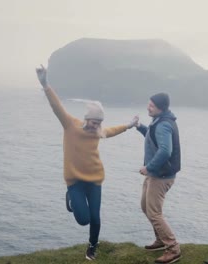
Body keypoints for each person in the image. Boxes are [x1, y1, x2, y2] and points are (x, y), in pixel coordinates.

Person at [35, 65, 139, 261]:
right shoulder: (70, 125)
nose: (96, 126)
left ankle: (92, 246)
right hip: (74, 181)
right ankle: (72, 199)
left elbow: (112, 130)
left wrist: (130, 125)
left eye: (99, 123)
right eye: (93, 122)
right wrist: (45, 84)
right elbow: (57, 107)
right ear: (87, 118)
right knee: (83, 219)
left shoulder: (98, 132)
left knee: (95, 218)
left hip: (95, 180)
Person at [136, 92, 182, 264]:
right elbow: (152, 135)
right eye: (149, 103)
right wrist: (139, 126)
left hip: (160, 176)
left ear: (161, 108)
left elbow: (165, 150)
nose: (148, 107)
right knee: (146, 207)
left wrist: (149, 167)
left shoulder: (163, 125)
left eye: (152, 105)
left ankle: (173, 249)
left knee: (154, 213)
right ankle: (161, 240)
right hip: (155, 174)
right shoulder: (159, 120)